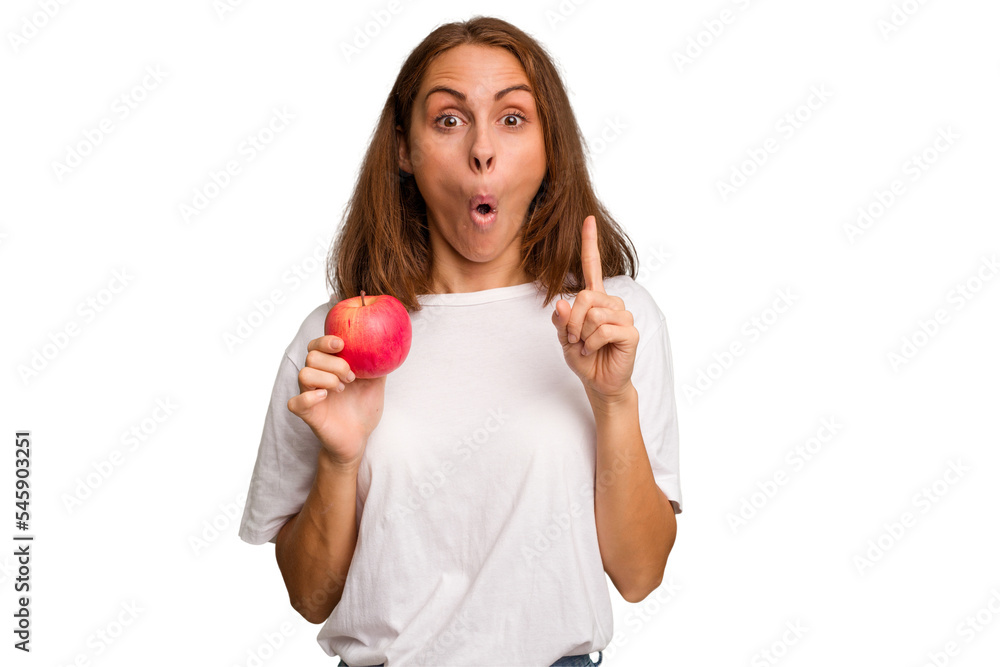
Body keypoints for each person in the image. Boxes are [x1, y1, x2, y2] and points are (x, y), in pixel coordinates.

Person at [238, 15, 682, 667]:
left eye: (512, 118)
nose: (481, 149)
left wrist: (612, 400)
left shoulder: (614, 319)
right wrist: (339, 460)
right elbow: (310, 596)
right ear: (403, 148)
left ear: (550, 145)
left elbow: (640, 575)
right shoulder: (330, 343)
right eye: (448, 119)